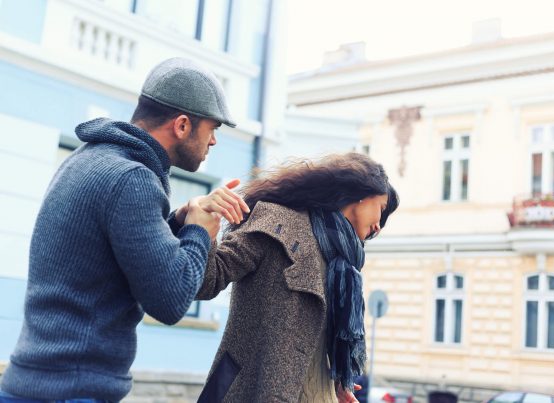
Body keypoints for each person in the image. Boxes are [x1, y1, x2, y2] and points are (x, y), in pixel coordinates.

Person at [0, 57, 249, 402]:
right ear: (181, 125)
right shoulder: (133, 180)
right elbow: (170, 301)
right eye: (213, 129)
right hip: (73, 391)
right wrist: (197, 232)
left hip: (34, 383)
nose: (214, 142)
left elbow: (115, 254)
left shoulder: (89, 159)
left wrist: (178, 220)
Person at [195, 153, 400, 403]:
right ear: (361, 193)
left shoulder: (345, 267)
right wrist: (202, 227)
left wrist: (333, 381)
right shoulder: (278, 224)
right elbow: (207, 280)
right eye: (381, 210)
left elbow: (317, 338)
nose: (379, 226)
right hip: (254, 390)